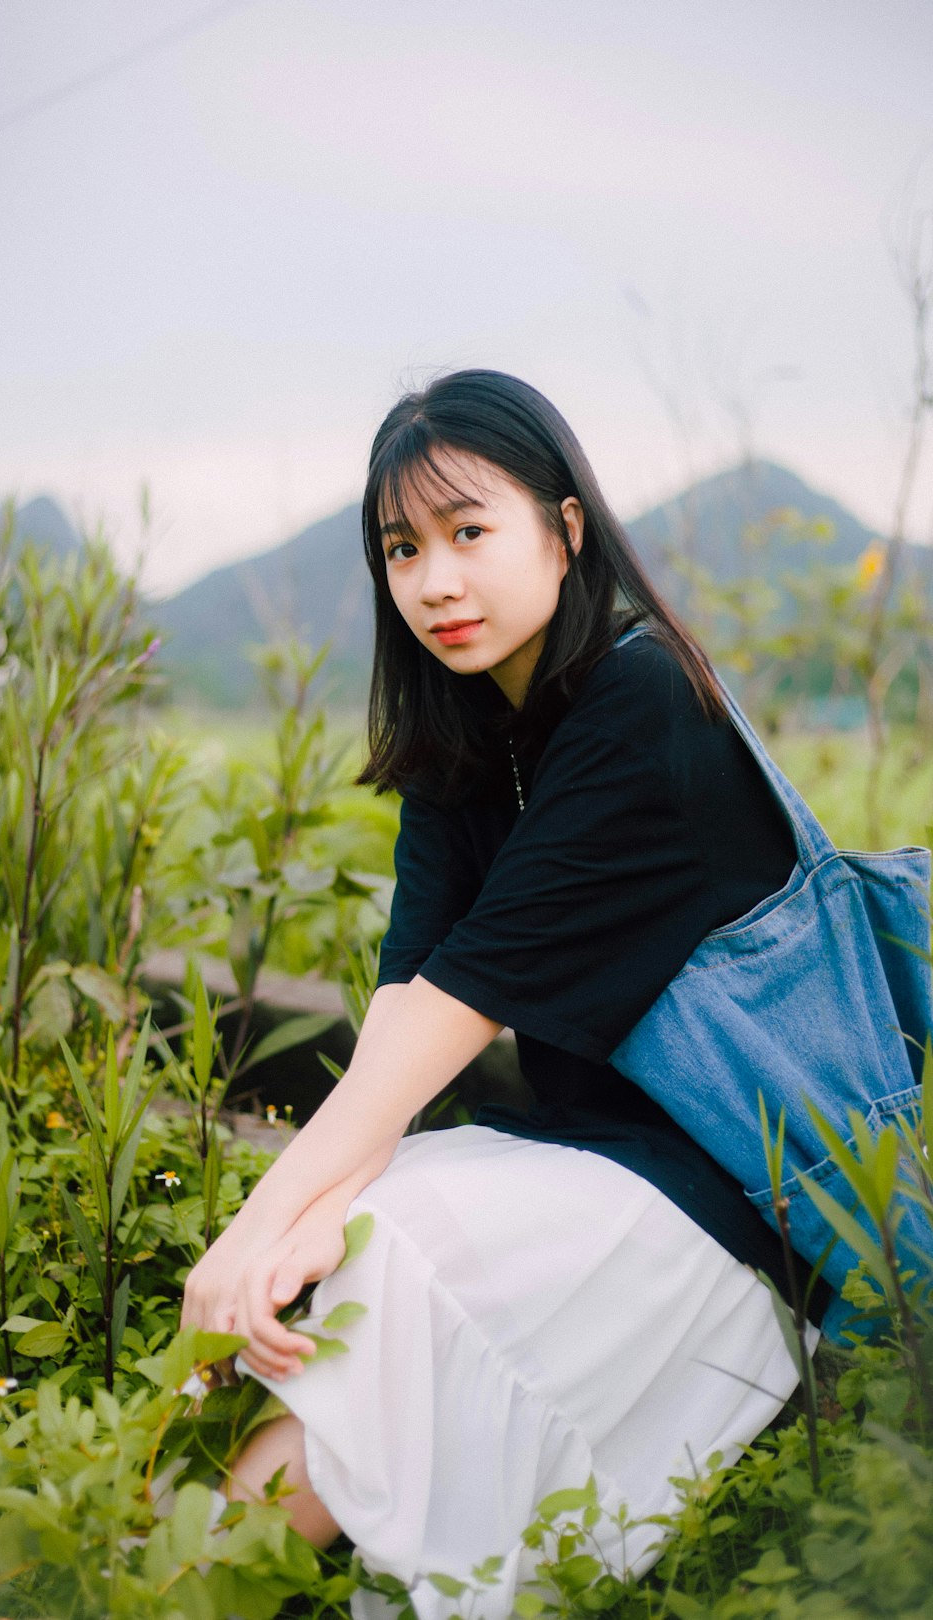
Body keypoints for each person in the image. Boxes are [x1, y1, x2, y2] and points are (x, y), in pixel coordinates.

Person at [177, 369, 890, 1617]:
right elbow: (405, 996)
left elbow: (456, 1008)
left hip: (733, 1207)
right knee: (353, 1239)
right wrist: (300, 1209)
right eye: (403, 548)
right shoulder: (469, 733)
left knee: (384, 1245)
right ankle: (171, 1579)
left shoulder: (642, 702)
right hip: (583, 1167)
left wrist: (257, 1225)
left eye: (468, 531)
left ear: (565, 530)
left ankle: (174, 1581)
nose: (435, 581)